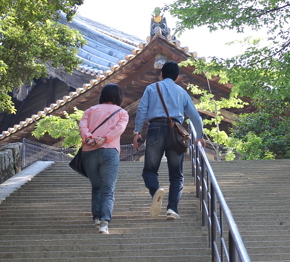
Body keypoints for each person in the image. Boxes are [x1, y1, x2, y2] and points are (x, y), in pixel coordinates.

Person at [132, 61, 205, 220]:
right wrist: (199, 136)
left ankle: (156, 190)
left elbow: (142, 109)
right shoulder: (182, 92)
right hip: (176, 131)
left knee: (149, 170)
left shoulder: (151, 88)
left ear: (161, 74)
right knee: (176, 175)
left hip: (155, 128)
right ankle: (172, 209)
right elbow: (195, 117)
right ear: (177, 77)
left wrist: (137, 132)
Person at [79, 84, 129, 234]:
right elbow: (119, 129)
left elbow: (82, 126)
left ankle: (96, 218)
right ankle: (104, 223)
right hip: (109, 152)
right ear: (119, 97)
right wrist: (106, 138)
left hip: (89, 152)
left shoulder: (90, 110)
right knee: (108, 190)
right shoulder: (122, 113)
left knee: (96, 187)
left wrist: (88, 139)